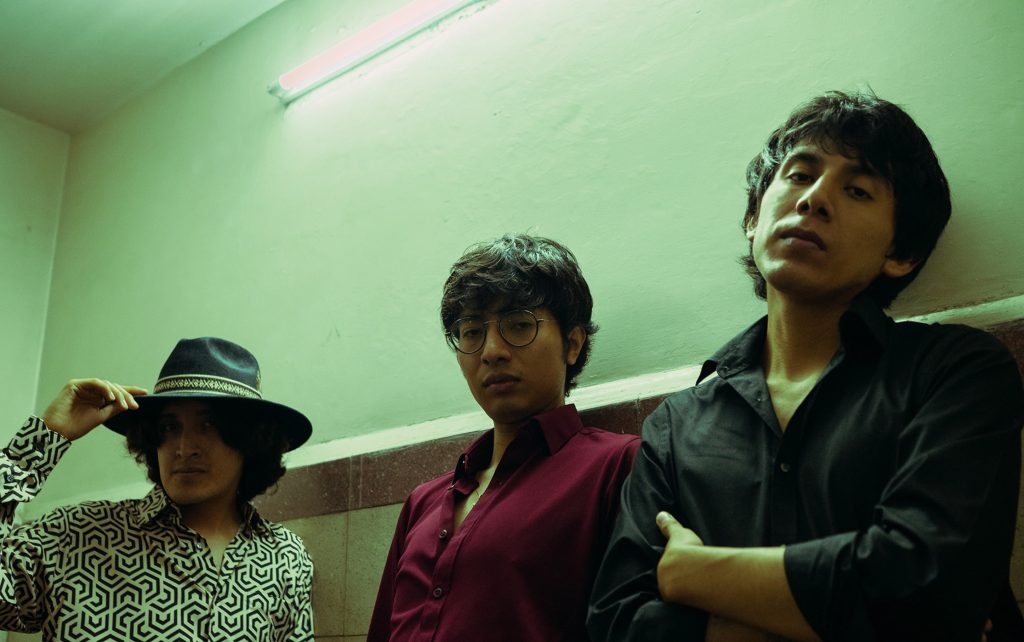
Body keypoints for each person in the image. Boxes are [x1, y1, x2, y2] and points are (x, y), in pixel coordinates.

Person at [587, 91, 1024, 642]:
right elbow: (617, 622)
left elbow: (934, 588)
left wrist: (691, 574)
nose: (815, 199)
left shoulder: (956, 372)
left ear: (901, 254)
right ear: (753, 218)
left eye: (857, 190)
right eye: (799, 175)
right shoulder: (676, 426)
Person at [367, 233, 639, 641]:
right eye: (471, 332)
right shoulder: (423, 502)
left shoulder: (616, 467)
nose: (491, 351)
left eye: (519, 325)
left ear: (572, 344)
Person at [0, 337, 315, 641]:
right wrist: (39, 441)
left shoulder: (285, 557)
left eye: (209, 425)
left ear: (251, 440)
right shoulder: (78, 534)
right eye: (169, 426)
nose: (184, 448)